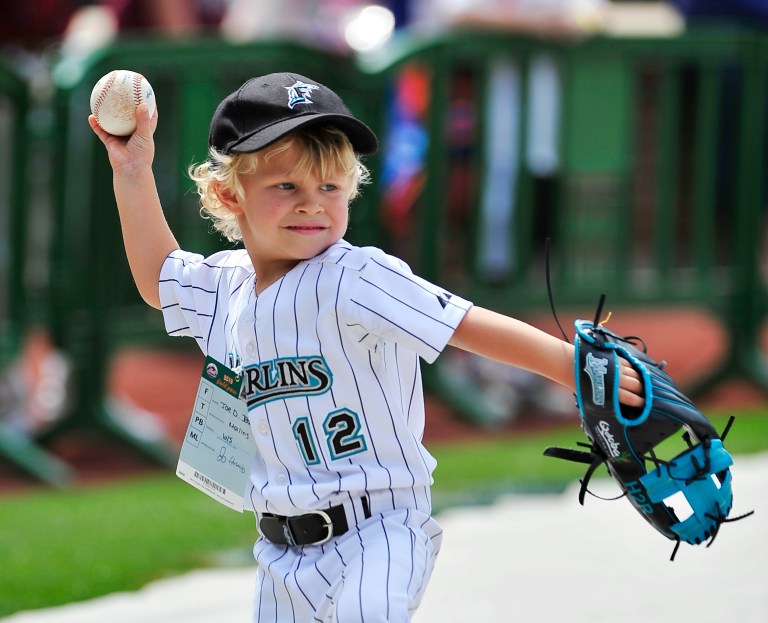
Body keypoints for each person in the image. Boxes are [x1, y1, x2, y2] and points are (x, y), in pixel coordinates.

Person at [88, 72, 643, 622]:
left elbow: (465, 323)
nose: (312, 204)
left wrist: (573, 367)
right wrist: (132, 168)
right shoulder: (222, 287)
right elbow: (159, 277)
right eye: (287, 187)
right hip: (280, 554)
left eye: (330, 187)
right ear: (229, 194)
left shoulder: (358, 276)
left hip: (379, 529)